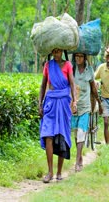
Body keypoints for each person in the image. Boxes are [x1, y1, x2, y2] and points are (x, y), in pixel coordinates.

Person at [38, 48, 76, 183]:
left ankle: (59, 172)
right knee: (48, 135)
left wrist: (74, 101)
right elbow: (43, 86)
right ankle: (50, 172)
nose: (56, 54)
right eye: (54, 52)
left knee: (61, 136)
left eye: (58, 51)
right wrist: (40, 104)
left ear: (62, 52)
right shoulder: (48, 66)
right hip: (50, 103)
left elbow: (72, 84)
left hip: (64, 103)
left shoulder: (68, 65)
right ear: (51, 53)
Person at [71, 53, 103, 172]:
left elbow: (93, 88)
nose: (78, 58)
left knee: (81, 131)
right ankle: (79, 158)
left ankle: (78, 159)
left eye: (80, 56)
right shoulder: (72, 69)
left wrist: (99, 103)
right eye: (76, 56)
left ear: (84, 58)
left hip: (85, 106)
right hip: (74, 107)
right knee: (76, 133)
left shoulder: (89, 70)